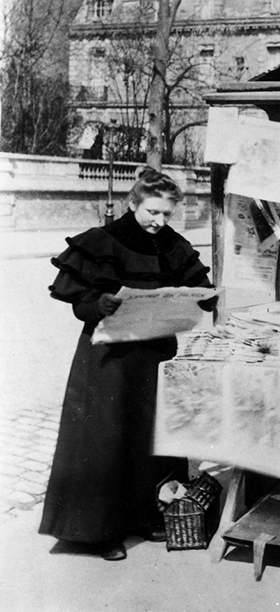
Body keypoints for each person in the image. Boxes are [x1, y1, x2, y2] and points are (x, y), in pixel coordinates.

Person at [39, 168, 215, 560]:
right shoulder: (102, 242)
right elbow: (79, 302)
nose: (160, 222)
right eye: (152, 212)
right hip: (109, 357)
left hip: (153, 355)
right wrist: (97, 305)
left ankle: (146, 515)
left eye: (167, 214)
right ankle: (99, 532)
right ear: (132, 203)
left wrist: (203, 299)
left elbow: (195, 287)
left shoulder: (173, 244)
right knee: (106, 440)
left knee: (151, 435)